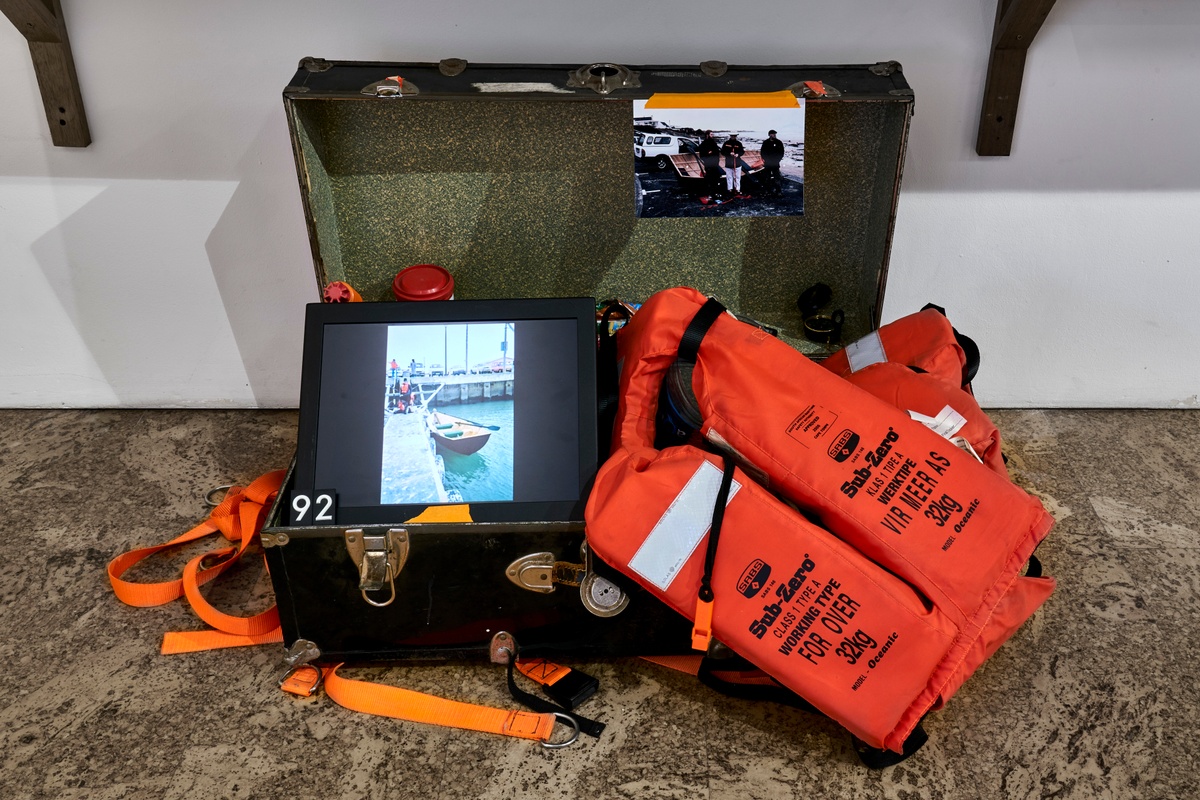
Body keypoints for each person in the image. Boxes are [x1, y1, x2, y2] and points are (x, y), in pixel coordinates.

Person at [698, 130, 723, 197]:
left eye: (712, 134)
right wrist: (707, 154)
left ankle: (715, 192)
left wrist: (716, 161)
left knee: (716, 177)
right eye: (711, 134)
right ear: (707, 135)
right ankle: (709, 193)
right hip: (708, 164)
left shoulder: (713, 143)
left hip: (714, 164)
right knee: (709, 178)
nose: (713, 135)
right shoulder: (704, 144)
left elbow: (717, 152)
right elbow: (702, 155)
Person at [761, 129, 785, 196]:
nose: (774, 135)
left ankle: (778, 191)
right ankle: (768, 191)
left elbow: (781, 152)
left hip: (775, 163)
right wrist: (765, 159)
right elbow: (762, 152)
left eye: (775, 134)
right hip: (768, 163)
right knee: (767, 178)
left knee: (777, 178)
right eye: (773, 134)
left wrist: (778, 160)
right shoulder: (765, 142)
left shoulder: (779, 142)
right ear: (769, 135)